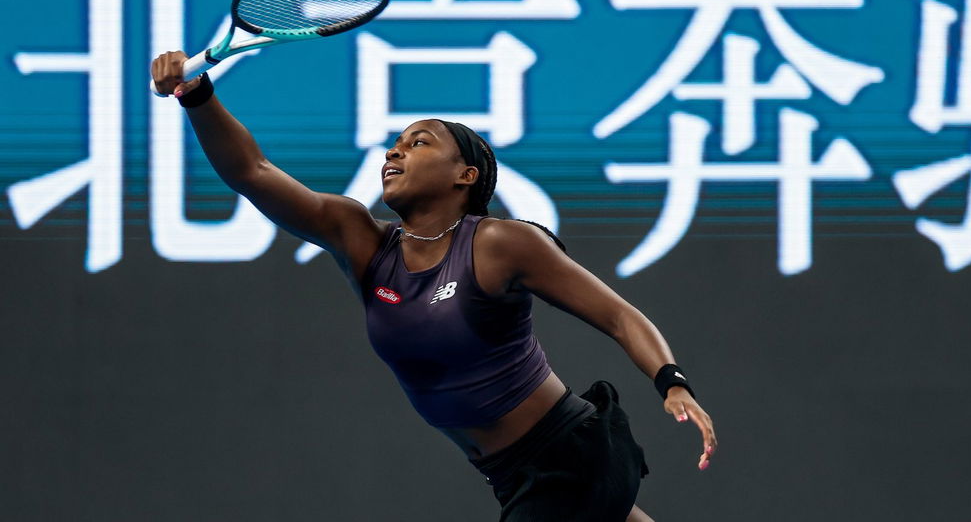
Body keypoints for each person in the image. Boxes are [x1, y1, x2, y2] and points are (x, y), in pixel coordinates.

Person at [151, 52, 718, 522]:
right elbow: (252, 172)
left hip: (570, 454)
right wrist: (197, 95)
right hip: (509, 476)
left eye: (418, 143)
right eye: (395, 143)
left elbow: (619, 316)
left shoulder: (499, 244)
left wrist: (672, 383)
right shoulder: (362, 242)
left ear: (464, 175)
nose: (394, 151)